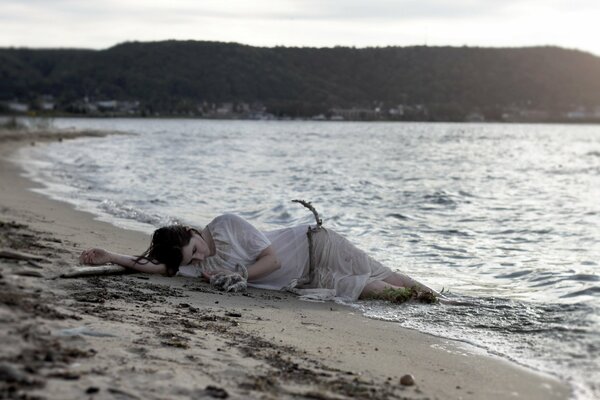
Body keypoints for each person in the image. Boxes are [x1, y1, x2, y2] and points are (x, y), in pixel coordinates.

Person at [79, 213, 441, 302]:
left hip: (315, 245)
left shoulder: (226, 225)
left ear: (192, 232)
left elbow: (272, 260)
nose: (198, 258)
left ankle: (438, 301)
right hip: (306, 280)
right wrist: (111, 256)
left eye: (195, 250)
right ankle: (422, 304)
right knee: (374, 291)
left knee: (385, 274)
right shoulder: (194, 264)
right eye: (190, 260)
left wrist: (241, 276)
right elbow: (158, 268)